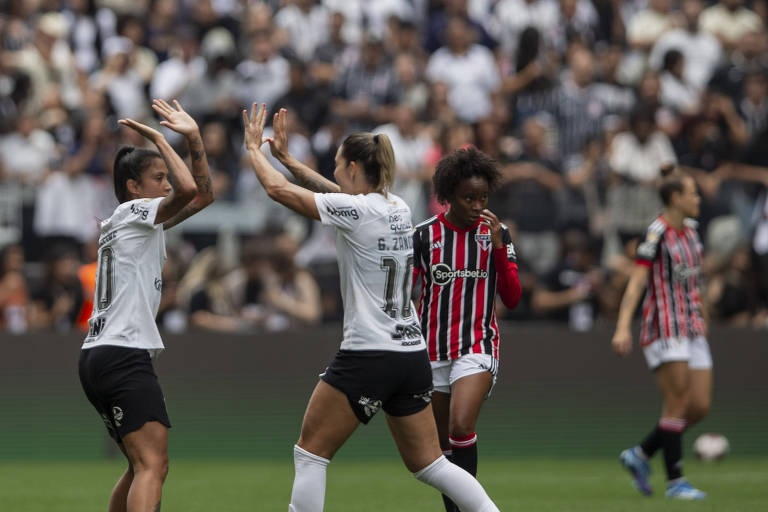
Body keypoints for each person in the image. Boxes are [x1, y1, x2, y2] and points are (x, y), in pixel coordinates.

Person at [242, 103, 501, 512]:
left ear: (354, 168)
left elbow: (279, 192)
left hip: (368, 353)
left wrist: (254, 150)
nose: (335, 171)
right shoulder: (397, 208)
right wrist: (289, 160)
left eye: (338, 164)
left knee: (311, 453)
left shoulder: (357, 212)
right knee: (431, 463)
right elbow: (332, 194)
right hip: (411, 355)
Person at [78, 99, 214, 512]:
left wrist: (194, 140)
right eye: (158, 177)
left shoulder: (133, 222)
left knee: (142, 466)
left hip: (100, 353)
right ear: (134, 187)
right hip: (122, 352)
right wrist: (163, 137)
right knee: (153, 465)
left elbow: (203, 196)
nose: (167, 184)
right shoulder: (135, 212)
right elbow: (190, 188)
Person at [412, 147, 521, 512]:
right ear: (447, 196)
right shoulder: (424, 237)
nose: (477, 205)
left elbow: (513, 297)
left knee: (461, 425)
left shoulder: (496, 233)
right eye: (468, 198)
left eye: (483, 198)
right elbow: (406, 296)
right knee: (441, 449)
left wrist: (500, 249)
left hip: (478, 345)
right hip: (432, 351)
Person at [611, 165, 711, 500]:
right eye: (693, 193)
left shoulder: (693, 232)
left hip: (692, 325)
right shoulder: (656, 234)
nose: (698, 198)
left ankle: (640, 454)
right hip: (665, 327)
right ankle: (676, 482)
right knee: (677, 402)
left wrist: (703, 313)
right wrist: (624, 326)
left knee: (698, 407)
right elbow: (638, 282)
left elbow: (695, 280)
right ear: (676, 198)